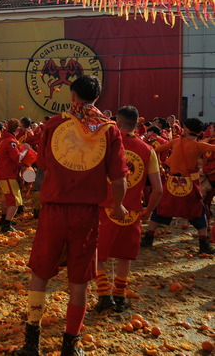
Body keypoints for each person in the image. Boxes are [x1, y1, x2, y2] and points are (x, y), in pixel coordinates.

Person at [15, 76, 127, 356]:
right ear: (97, 97)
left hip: (53, 210)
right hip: (86, 214)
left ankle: (31, 343)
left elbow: (42, 163)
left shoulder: (54, 124)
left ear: (72, 95)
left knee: (40, 275)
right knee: (79, 282)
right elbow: (119, 179)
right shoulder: (109, 130)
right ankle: (70, 345)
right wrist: (118, 206)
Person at [94, 106, 163, 313]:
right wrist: (147, 212)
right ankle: (120, 296)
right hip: (132, 212)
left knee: (98, 255)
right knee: (124, 256)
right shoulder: (148, 150)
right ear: (136, 124)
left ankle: (104, 295)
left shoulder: (105, 145)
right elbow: (158, 189)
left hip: (105, 208)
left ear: (118, 123)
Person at [141, 118, 215, 254]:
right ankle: (203, 243)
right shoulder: (199, 146)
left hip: (172, 183)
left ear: (186, 129)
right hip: (189, 185)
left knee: (160, 209)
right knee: (198, 212)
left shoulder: (176, 142)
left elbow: (155, 150)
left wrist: (159, 164)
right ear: (199, 132)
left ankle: (148, 238)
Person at [0, 119, 29, 233]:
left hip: (2, 172)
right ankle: (6, 224)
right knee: (15, 200)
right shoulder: (10, 142)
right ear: (17, 129)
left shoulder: (3, 139)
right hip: (7, 173)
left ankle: (4, 218)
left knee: (5, 197)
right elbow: (17, 158)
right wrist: (25, 150)